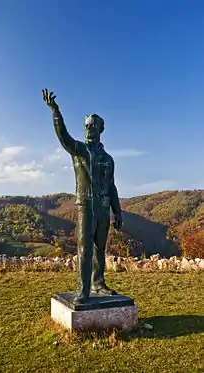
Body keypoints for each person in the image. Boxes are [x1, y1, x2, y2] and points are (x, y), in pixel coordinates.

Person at [42, 89, 122, 304]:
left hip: (104, 207)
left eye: (92, 126)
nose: (88, 129)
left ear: (100, 130)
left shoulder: (108, 159)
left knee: (100, 248)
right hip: (86, 205)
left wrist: (118, 211)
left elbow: (112, 186)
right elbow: (63, 137)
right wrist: (55, 112)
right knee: (85, 248)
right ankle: (83, 289)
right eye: (86, 126)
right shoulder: (78, 150)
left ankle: (98, 283)